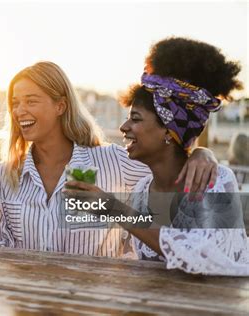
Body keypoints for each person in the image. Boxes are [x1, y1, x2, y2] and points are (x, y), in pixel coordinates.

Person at [0, 61, 218, 255]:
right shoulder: (2, 177)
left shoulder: (115, 164)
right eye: (15, 102)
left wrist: (200, 153)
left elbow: (167, 164)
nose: (19, 110)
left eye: (31, 100)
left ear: (60, 105)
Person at [67, 37, 249, 275]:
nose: (123, 127)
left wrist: (113, 208)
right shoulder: (142, 190)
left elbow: (205, 259)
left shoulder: (214, 180)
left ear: (168, 129)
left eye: (136, 118)